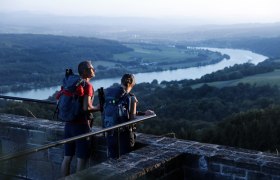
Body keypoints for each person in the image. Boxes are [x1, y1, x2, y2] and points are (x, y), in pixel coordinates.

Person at [61, 61, 100, 177]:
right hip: (81, 126)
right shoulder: (87, 86)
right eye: (92, 68)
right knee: (81, 159)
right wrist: (98, 107)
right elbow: (86, 107)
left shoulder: (72, 83)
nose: (94, 70)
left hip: (68, 125)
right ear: (85, 71)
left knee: (67, 158)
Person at [106, 73, 154, 158]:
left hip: (110, 133)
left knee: (112, 161)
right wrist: (146, 115)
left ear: (121, 81)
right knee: (125, 160)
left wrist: (142, 113)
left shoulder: (111, 94)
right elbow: (132, 118)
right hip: (124, 135)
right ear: (133, 84)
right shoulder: (131, 98)